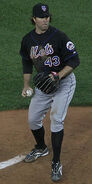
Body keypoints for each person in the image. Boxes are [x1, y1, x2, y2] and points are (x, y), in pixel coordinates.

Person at [20, 3, 80, 182]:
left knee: (56, 119)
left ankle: (56, 162)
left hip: (64, 83)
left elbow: (74, 60)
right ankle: (41, 147)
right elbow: (26, 63)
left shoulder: (59, 36)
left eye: (47, 17)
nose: (45, 19)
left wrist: (58, 77)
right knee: (33, 119)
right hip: (44, 85)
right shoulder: (27, 40)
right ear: (34, 19)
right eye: (41, 17)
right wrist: (26, 85)